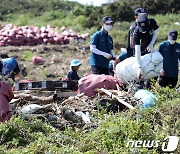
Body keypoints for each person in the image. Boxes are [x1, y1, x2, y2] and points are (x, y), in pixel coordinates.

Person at [133, 13, 159, 79]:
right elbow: (137, 50)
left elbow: (156, 31)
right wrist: (139, 67)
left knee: (153, 59)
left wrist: (151, 43)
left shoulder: (152, 22)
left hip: (150, 39)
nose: (143, 31)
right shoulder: (136, 32)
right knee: (141, 56)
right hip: (142, 43)